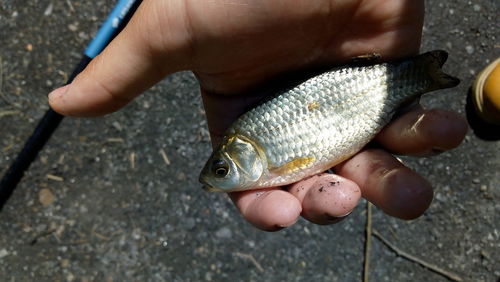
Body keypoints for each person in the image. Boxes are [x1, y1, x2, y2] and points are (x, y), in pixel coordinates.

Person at [48, 0, 468, 231]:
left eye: (222, 166)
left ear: (241, 152)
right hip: (356, 104)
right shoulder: (252, 143)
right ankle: (417, 76)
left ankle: (415, 76)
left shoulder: (255, 144)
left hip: (357, 95)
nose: (219, 174)